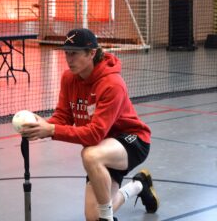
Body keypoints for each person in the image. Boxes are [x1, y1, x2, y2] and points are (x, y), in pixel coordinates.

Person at [20, 28, 159, 221]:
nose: (69, 59)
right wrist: (42, 125)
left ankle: (107, 219)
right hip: (102, 147)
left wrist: (51, 130)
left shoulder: (112, 84)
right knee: (93, 216)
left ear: (91, 53)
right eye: (66, 53)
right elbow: (63, 116)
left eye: (74, 53)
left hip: (131, 141)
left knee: (90, 154)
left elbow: (94, 134)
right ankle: (139, 185)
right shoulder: (69, 78)